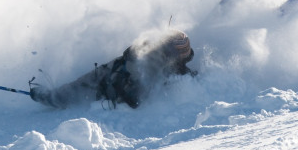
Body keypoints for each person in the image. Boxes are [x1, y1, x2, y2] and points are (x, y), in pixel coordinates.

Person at [29, 29, 196, 109]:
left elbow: (135, 99)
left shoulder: (175, 69)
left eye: (181, 52)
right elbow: (130, 54)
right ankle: (53, 97)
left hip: (111, 86)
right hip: (110, 76)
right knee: (82, 85)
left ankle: (55, 97)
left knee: (86, 85)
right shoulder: (152, 58)